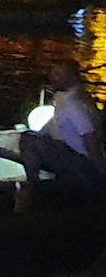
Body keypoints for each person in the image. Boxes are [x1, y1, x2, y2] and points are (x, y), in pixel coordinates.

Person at [19, 60, 106, 188]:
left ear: (70, 78)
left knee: (28, 139)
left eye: (58, 74)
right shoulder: (69, 95)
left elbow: (90, 137)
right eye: (53, 73)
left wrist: (100, 170)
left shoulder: (73, 105)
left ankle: (34, 187)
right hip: (65, 148)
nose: (52, 77)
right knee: (34, 136)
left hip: (79, 159)